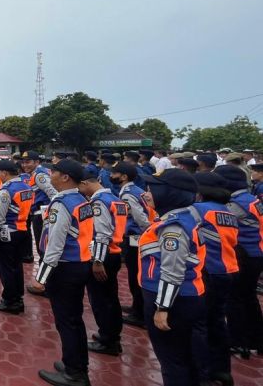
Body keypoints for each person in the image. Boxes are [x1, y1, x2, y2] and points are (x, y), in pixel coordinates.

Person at [138, 169, 208, 386]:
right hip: (189, 294)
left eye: (151, 190)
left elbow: (172, 271)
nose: (146, 194)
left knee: (172, 360)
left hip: (173, 300)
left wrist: (162, 308)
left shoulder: (173, 228)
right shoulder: (187, 217)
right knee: (186, 356)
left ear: (169, 193)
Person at [34, 159, 94, 386]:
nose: (50, 174)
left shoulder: (61, 204)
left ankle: (75, 373)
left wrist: (42, 278)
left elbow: (55, 245)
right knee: (74, 319)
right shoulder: (82, 200)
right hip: (80, 263)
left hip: (65, 267)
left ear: (65, 177)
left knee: (66, 321)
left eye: (54, 172)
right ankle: (76, 362)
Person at [191, 172, 239, 385]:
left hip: (207, 271)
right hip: (227, 270)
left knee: (199, 324)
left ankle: (202, 372)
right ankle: (222, 370)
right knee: (218, 321)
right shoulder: (227, 212)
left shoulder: (198, 210)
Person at [214, 165, 263, 358]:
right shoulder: (251, 199)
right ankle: (257, 339)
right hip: (256, 252)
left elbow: (218, 224)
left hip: (244, 255)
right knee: (248, 298)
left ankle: (238, 341)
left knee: (235, 299)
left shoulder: (236, 204)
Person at [78, 170, 127, 357]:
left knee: (101, 300)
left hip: (104, 254)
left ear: (85, 183)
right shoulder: (114, 198)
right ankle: (111, 334)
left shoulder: (98, 203)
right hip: (114, 252)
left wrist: (97, 261)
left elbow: (101, 234)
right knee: (110, 298)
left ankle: (109, 340)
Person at [0, 159, 34, 314]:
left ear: (4, 173)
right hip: (23, 230)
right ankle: (18, 298)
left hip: (8, 233)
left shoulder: (6, 191)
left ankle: (9, 300)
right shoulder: (26, 187)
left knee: (6, 268)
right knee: (17, 266)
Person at [113, 162, 154, 328]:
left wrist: (148, 231)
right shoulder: (137, 190)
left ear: (123, 176)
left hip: (135, 238)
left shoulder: (128, 194)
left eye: (115, 173)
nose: (112, 176)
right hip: (138, 236)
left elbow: (139, 217)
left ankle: (140, 313)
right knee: (135, 274)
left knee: (135, 275)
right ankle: (136, 307)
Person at [21, 150, 58, 296]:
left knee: (44, 249)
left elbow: (53, 193)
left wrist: (50, 214)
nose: (25, 165)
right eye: (23, 162)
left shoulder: (40, 175)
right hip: (40, 214)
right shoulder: (39, 173)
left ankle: (47, 285)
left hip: (41, 215)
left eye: (28, 162)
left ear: (37, 162)